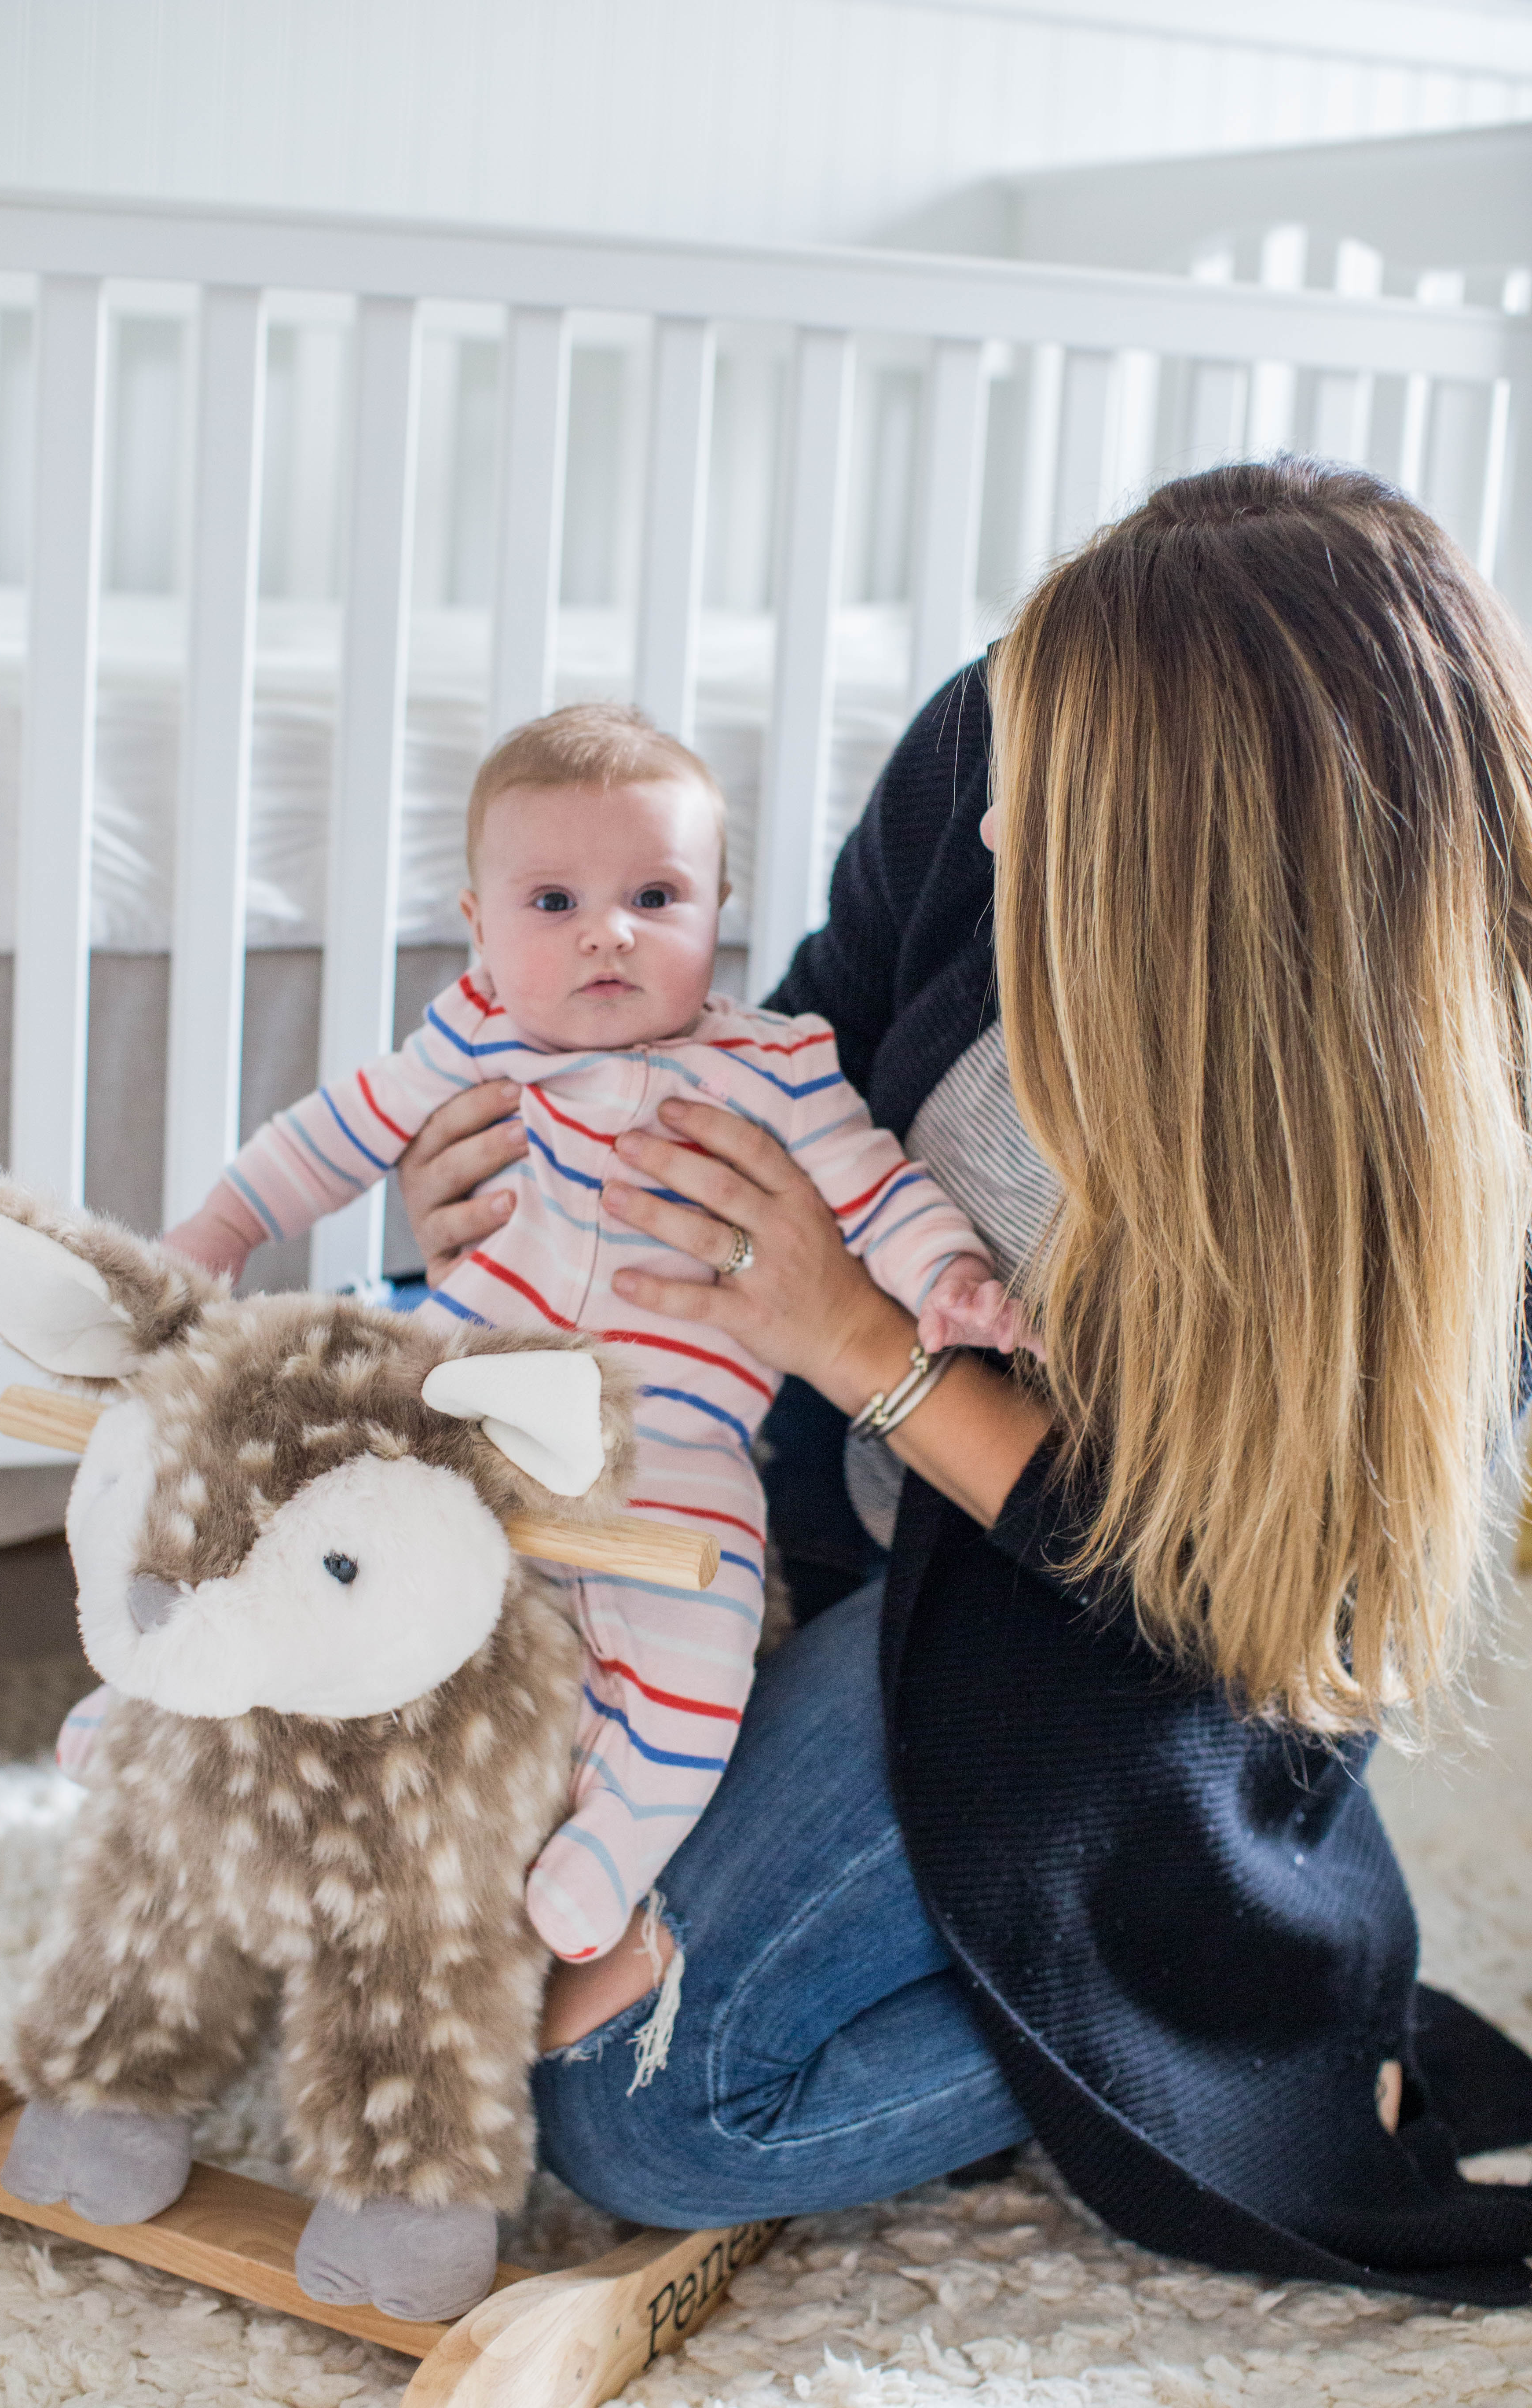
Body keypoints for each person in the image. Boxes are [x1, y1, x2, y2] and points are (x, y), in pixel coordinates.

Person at [398, 462, 1532, 2305]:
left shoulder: (1464, 1110)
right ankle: (1149, 1951)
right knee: (418, 1899)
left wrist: (867, 1345)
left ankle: (1255, 1993)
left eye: (1058, 798)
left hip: (1126, 1644)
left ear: (1229, 865)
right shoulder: (991, 746)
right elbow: (749, 1070)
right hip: (836, 1552)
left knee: (636, 2110)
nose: (992, 825)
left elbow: (1262, 1611)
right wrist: (506, 1182)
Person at [155, 704, 1024, 1972]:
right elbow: (327, 1136)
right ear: (480, 926)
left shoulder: (775, 1064)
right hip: (449, 1418)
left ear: (719, 911)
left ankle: (601, 1859)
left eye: (655, 897)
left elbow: (877, 1188)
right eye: (553, 901)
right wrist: (224, 1227)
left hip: (676, 1445)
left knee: (699, 1650)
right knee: (300, 1528)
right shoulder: (467, 1040)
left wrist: (945, 1281)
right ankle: (168, 1704)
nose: (608, 932)